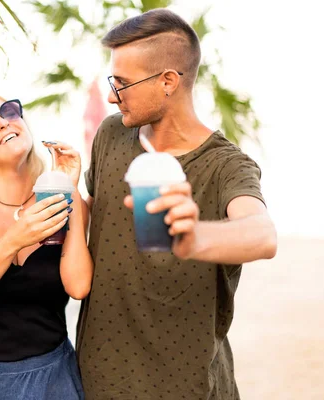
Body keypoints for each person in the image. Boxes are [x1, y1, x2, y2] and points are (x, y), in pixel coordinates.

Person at [76, 8, 278, 399]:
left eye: (122, 83)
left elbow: (262, 235)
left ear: (168, 81)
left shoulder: (227, 165)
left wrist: (195, 237)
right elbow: (96, 211)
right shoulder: (111, 134)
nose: (111, 95)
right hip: (98, 379)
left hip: (188, 387)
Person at [0, 93, 92, 399]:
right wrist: (13, 240)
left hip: (55, 379)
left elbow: (78, 287)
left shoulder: (59, 200)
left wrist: (70, 190)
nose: (1, 122)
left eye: (8, 111)